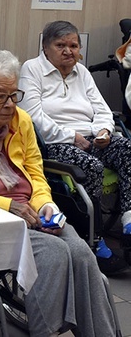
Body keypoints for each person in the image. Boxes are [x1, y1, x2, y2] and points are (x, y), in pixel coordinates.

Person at [0, 50, 118, 337]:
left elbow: (35, 172)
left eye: (13, 95)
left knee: (81, 253)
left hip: (31, 211)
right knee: (55, 253)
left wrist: (45, 204)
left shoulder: (22, 122)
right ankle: (46, 332)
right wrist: (7, 205)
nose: (8, 105)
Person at [19, 20, 131, 270]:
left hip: (91, 136)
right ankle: (95, 239)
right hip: (55, 141)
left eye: (73, 45)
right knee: (90, 166)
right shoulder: (32, 69)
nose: (68, 51)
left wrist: (104, 130)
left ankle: (129, 223)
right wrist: (72, 137)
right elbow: (32, 116)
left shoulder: (82, 72)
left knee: (127, 150)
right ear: (45, 47)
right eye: (61, 45)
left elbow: (102, 110)